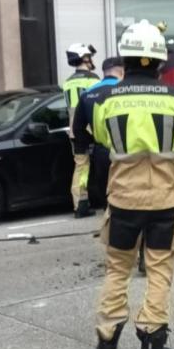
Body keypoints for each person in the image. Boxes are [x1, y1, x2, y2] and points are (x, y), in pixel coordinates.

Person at [83, 20, 174, 349]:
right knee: (159, 271)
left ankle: (106, 344)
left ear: (125, 59)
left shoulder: (106, 100)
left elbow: (101, 147)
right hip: (164, 204)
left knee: (117, 270)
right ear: (159, 62)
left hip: (123, 200)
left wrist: (98, 195)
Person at [75, 57, 124, 210]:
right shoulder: (126, 90)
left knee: (107, 199)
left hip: (101, 152)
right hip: (125, 152)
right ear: (122, 71)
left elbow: (77, 128)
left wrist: (91, 141)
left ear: (104, 72)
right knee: (126, 198)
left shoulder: (87, 93)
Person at [62, 43, 101, 218]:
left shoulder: (67, 83)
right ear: (84, 58)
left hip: (75, 132)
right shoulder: (93, 80)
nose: (91, 60)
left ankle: (80, 204)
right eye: (89, 57)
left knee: (81, 167)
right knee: (106, 163)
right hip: (94, 130)